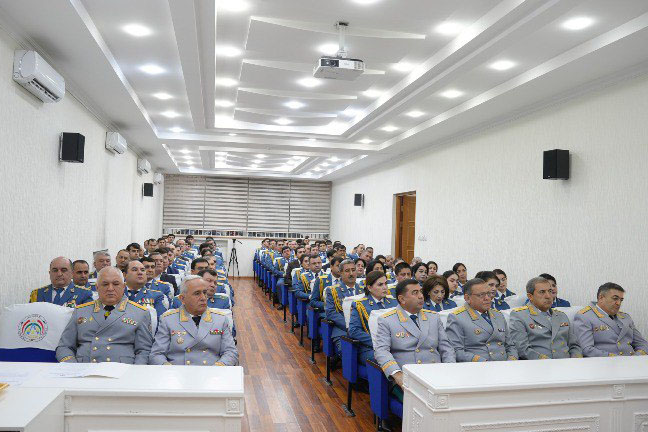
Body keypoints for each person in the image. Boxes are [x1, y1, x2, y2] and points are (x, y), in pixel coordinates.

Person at [374, 279, 455, 402]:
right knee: (425, 403)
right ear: (402, 299)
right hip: (408, 377)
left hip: (437, 374)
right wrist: (397, 374)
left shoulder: (433, 317)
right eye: (415, 293)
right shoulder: (387, 320)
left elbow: (446, 347)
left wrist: (450, 368)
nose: (421, 296)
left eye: (421, 292)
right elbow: (381, 351)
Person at [56, 266, 153, 364]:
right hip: (85, 369)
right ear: (97, 287)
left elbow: (144, 351)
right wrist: (72, 367)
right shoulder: (80, 311)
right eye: (105, 284)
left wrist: (135, 371)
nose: (110, 288)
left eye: (116, 284)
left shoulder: (140, 313)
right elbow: (64, 347)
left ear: (124, 286)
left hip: (122, 370)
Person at [149, 275, 238, 366]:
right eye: (197, 293)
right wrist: (170, 370)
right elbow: (157, 354)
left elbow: (230, 352)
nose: (203, 298)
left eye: (204, 292)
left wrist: (217, 368)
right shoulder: (168, 320)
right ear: (182, 299)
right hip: (178, 371)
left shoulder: (220, 319)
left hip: (211, 370)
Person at [445, 278, 518, 362]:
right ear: (467, 298)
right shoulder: (457, 318)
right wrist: (482, 362)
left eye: (488, 294)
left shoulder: (498, 315)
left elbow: (510, 346)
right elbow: (456, 351)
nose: (487, 298)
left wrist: (511, 360)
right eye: (481, 295)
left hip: (505, 365)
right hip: (479, 365)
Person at [510, 277, 582, 359]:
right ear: (530, 296)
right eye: (542, 292)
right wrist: (548, 362)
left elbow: (574, 346)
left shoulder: (562, 316)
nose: (548, 296)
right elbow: (522, 349)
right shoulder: (519, 315)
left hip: (567, 363)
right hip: (539, 364)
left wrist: (576, 360)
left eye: (550, 291)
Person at [574, 282, 647, 357]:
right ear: (601, 298)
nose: (619, 303)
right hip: (606, 361)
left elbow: (642, 344)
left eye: (621, 300)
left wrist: (636, 358)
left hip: (632, 361)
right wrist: (618, 360)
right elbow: (587, 349)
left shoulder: (626, 317)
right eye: (615, 298)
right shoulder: (585, 316)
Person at [348, 271, 395, 364]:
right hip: (370, 347)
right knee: (389, 359)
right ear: (369, 287)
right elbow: (354, 331)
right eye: (380, 284)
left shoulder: (394, 302)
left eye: (386, 283)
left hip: (395, 345)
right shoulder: (360, 305)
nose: (385, 287)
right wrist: (379, 342)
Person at [325, 259, 363, 355]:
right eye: (347, 271)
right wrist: (349, 325)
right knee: (348, 352)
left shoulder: (363, 290)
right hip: (342, 329)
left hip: (363, 329)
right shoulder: (332, 291)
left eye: (353, 270)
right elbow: (331, 313)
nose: (351, 273)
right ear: (341, 273)